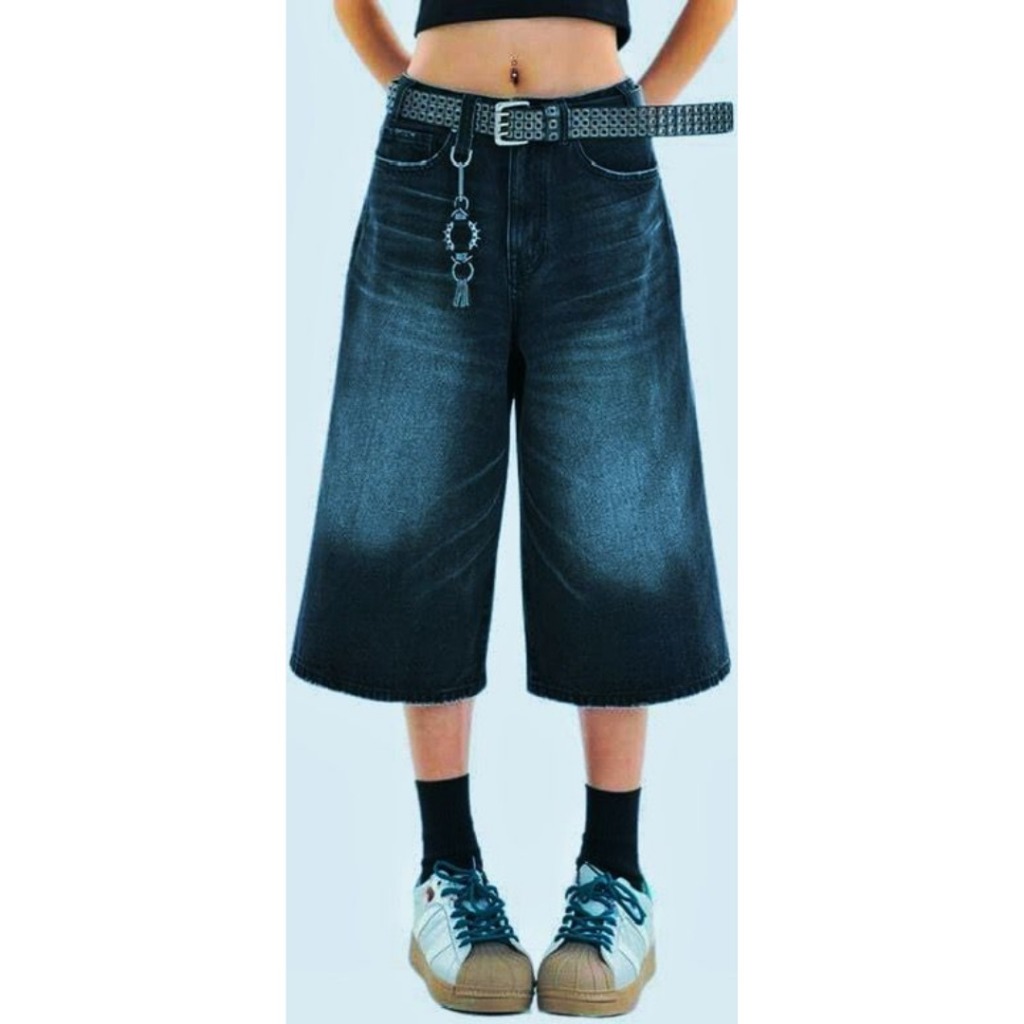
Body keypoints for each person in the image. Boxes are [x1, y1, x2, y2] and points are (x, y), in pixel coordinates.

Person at [290, 0, 736, 1015]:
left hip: (599, 161)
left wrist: (624, 113)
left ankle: (614, 873)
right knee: (416, 503)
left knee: (615, 507)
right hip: (432, 164)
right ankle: (445, 869)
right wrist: (422, 102)